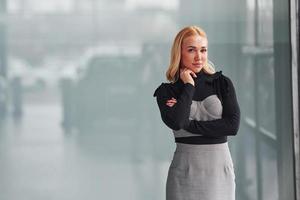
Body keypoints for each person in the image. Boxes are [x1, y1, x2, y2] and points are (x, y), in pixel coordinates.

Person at [153, 26, 240, 200]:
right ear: (180, 52)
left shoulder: (222, 83)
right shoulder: (167, 91)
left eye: (203, 50)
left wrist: (189, 124)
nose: (199, 56)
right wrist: (189, 86)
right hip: (184, 172)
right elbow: (177, 123)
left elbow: (232, 126)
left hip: (219, 171)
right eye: (191, 50)